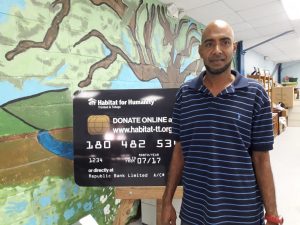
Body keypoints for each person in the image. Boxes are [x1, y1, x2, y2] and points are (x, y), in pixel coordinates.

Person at [161, 20, 282, 225]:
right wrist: (166, 202)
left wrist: (272, 214)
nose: (217, 50)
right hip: (194, 212)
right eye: (209, 43)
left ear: (233, 48)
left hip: (243, 213)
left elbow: (262, 159)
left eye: (224, 42)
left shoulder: (256, 94)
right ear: (200, 50)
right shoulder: (185, 94)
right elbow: (179, 151)